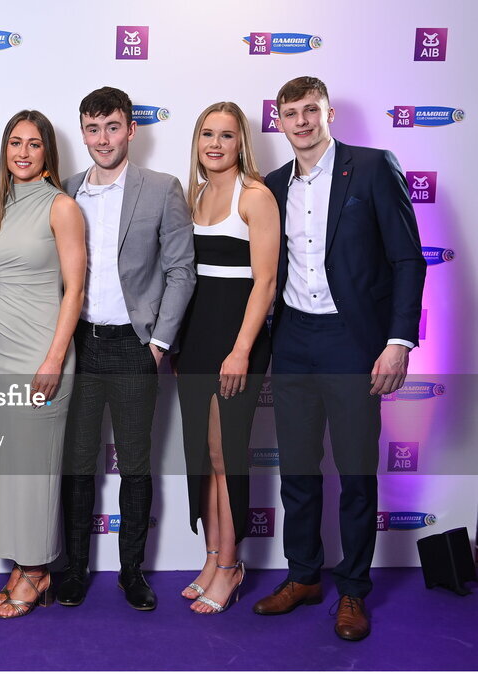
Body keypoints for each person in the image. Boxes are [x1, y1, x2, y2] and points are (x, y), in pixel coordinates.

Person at [252, 76, 425, 640]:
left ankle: (352, 589)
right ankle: (303, 575)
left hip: (353, 343)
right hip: (293, 342)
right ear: (278, 121)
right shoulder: (272, 186)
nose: (300, 122)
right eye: (290, 113)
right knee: (297, 471)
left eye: (310, 111)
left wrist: (398, 341)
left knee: (355, 472)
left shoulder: (373, 167)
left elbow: (407, 260)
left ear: (328, 114)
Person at [58, 87, 195, 610]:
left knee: (136, 467)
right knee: (77, 466)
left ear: (131, 129)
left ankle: (131, 573)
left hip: (136, 348)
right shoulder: (66, 191)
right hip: (82, 349)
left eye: (112, 127)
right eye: (92, 129)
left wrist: (159, 344)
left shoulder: (161, 189)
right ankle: (74, 570)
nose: (102, 139)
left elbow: (182, 271)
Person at [174, 102, 279, 614]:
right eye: (207, 134)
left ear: (242, 144)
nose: (215, 144)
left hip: (236, 342)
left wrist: (240, 351)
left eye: (227, 136)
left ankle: (232, 565)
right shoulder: (195, 196)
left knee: (226, 455)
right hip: (195, 341)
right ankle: (213, 556)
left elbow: (266, 282)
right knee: (205, 455)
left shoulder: (254, 197)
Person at [0, 110, 86, 619]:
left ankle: (39, 570)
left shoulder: (61, 206)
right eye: (15, 143)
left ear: (48, 153)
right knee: (8, 468)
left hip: (41, 354)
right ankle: (22, 565)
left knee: (36, 471)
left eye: (34, 144)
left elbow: (75, 289)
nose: (23, 152)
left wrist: (54, 357)